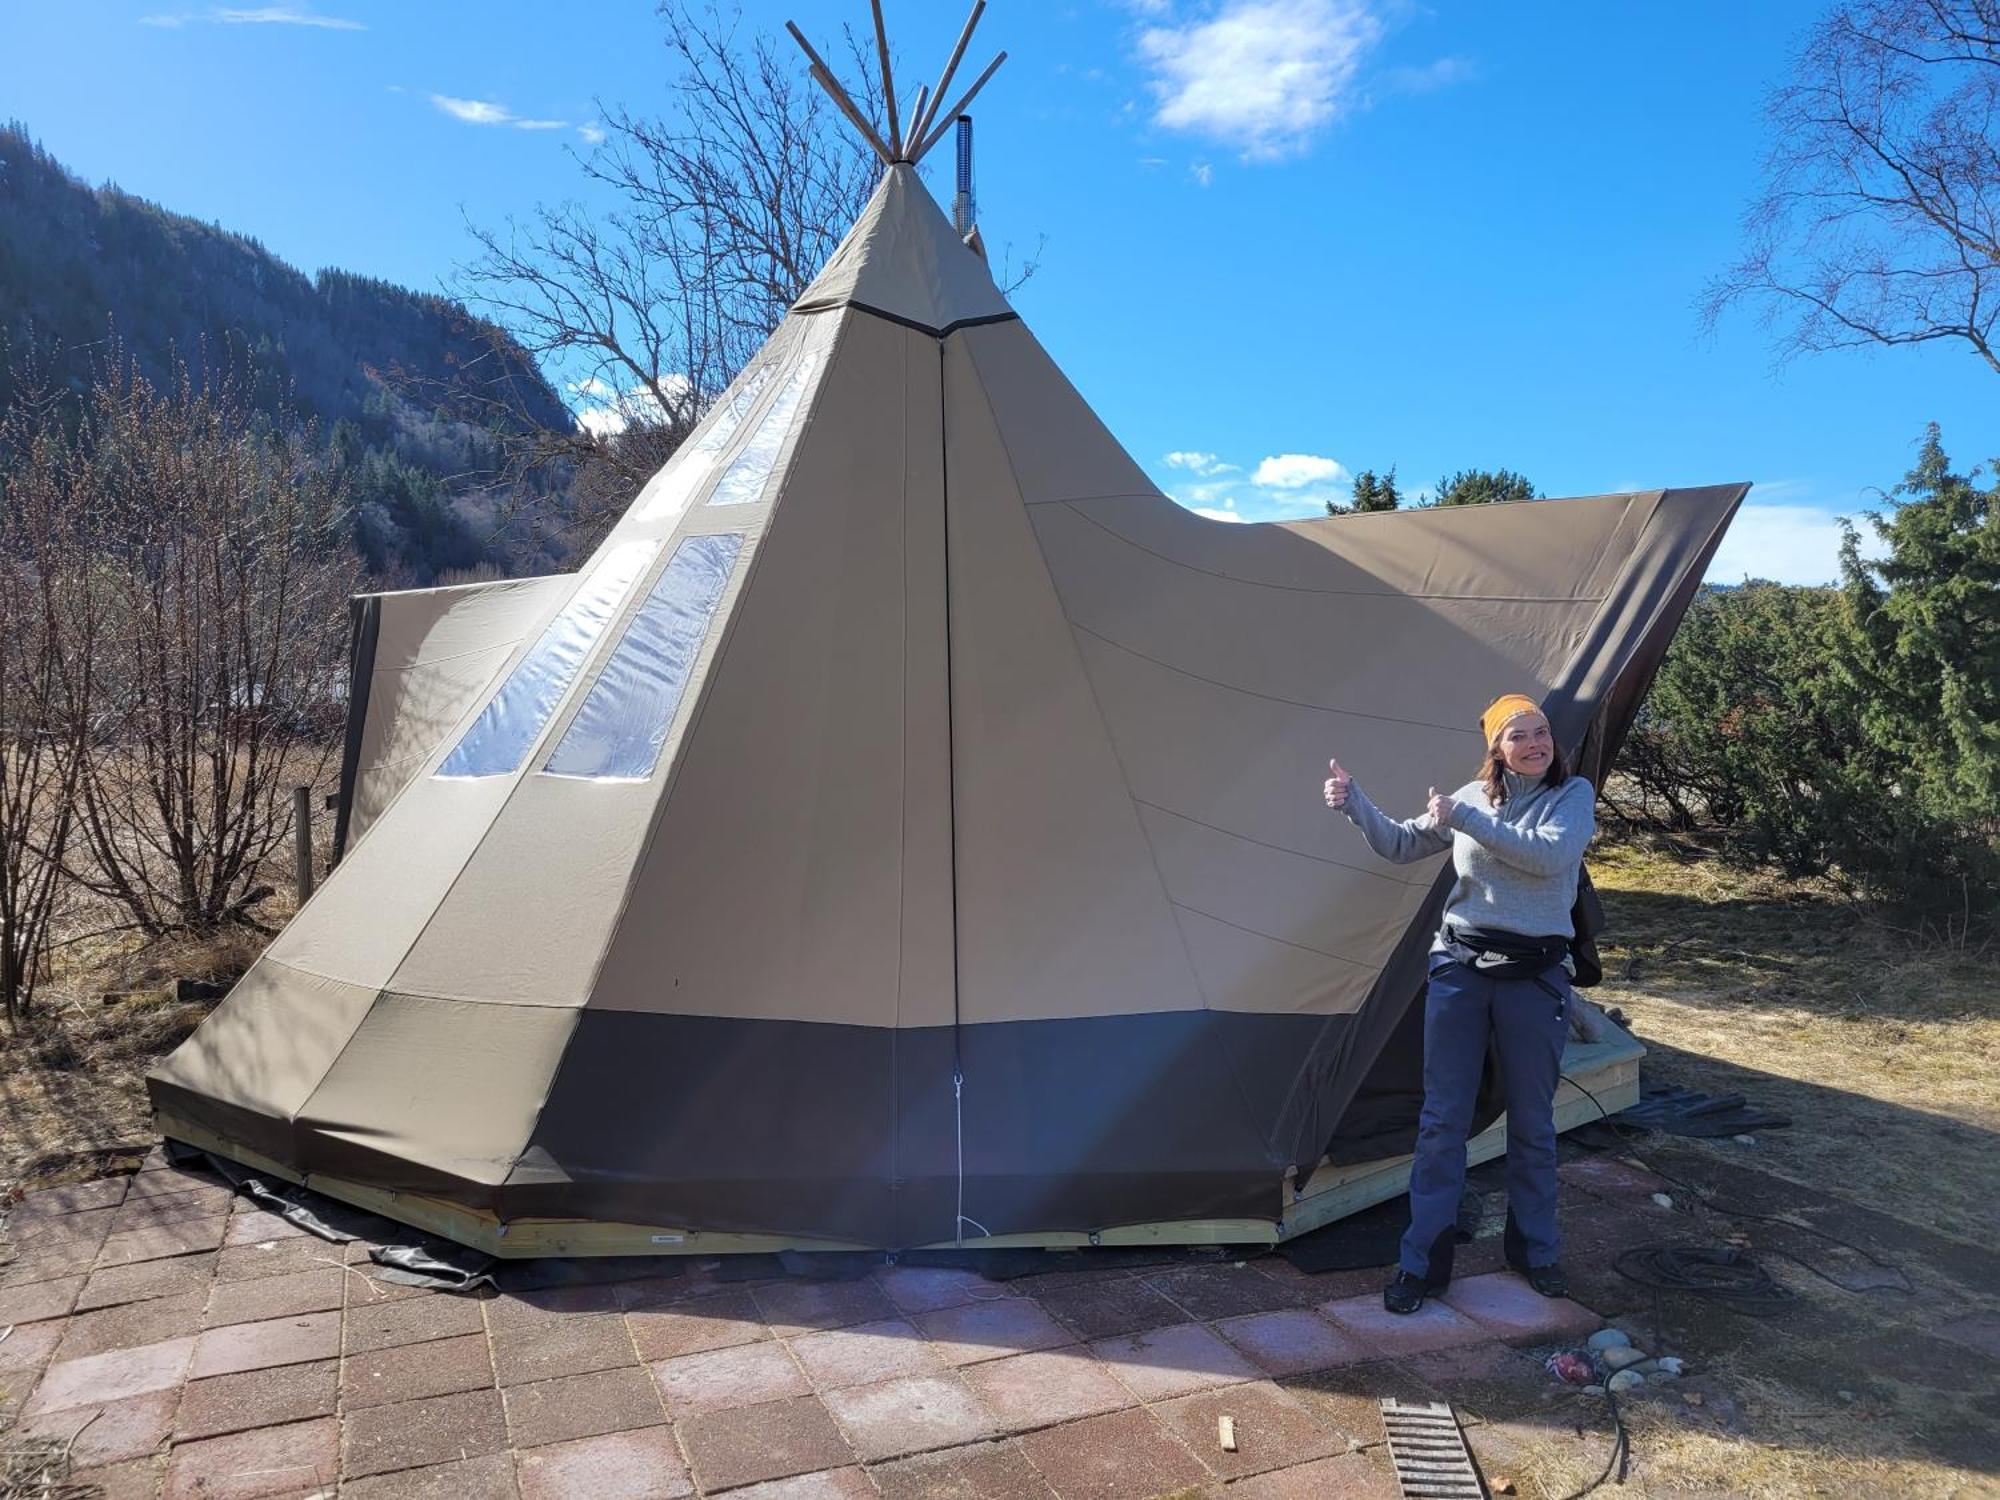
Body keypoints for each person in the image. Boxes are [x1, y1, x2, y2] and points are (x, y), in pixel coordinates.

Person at [1323, 694, 1593, 1315]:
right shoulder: (1470, 798)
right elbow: (1399, 844)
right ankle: (1423, 1266)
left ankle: (1536, 1252)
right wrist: (1355, 804)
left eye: (1542, 732)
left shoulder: (1571, 797)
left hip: (1535, 976)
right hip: (1461, 971)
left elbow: (1547, 857)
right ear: (1496, 748)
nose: (1535, 743)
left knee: (1532, 1120)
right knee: (1442, 1121)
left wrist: (1467, 822)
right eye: (1519, 735)